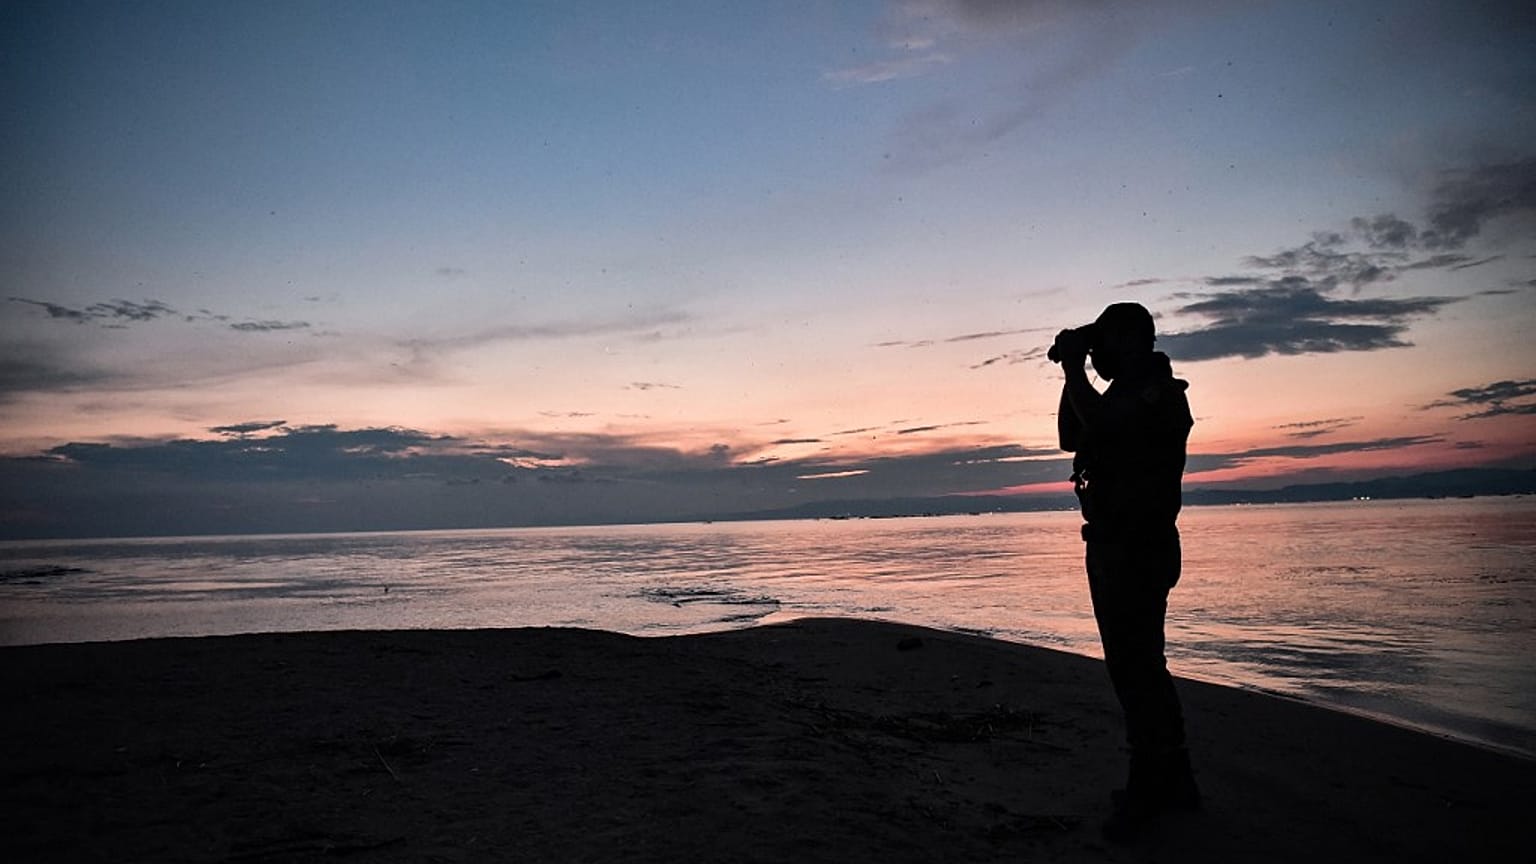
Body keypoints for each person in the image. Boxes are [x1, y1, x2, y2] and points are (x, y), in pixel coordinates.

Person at [1051, 302, 1199, 841]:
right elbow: (1074, 435)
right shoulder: (1119, 393)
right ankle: (1173, 780)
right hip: (1115, 542)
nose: (1099, 355)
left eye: (1105, 344)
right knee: (1135, 665)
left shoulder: (1155, 395)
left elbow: (1108, 427)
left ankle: (1150, 788)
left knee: (1136, 667)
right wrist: (1074, 375)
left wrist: (1074, 368)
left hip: (1137, 545)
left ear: (1132, 341)